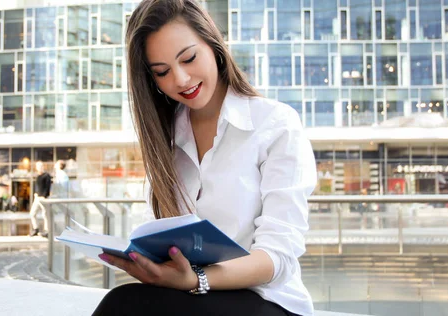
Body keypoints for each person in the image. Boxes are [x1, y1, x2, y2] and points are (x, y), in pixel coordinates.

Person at [93, 1, 317, 316]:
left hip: (267, 301)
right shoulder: (167, 140)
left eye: (189, 58)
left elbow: (277, 258)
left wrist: (195, 279)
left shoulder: (275, 123)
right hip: (194, 298)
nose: (181, 79)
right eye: (162, 71)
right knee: (123, 302)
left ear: (213, 45)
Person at [29, 161, 52, 237]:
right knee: (32, 213)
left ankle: (47, 230)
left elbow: (48, 187)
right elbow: (37, 186)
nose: (40, 167)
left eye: (41, 166)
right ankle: (36, 229)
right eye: (38, 166)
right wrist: (35, 193)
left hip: (43, 198)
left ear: (43, 166)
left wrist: (44, 196)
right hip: (37, 198)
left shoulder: (47, 175)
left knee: (45, 214)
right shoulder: (38, 176)